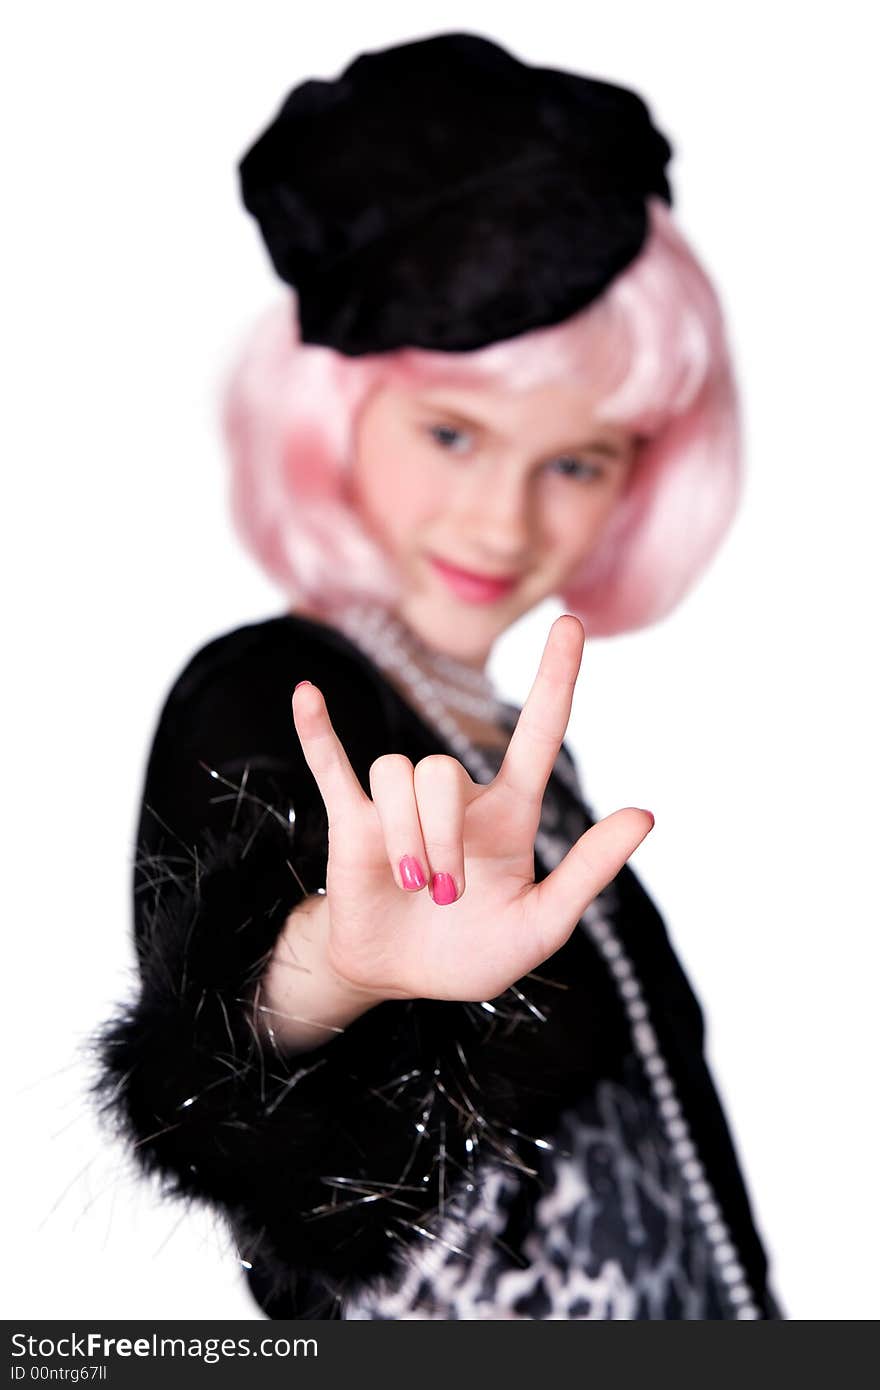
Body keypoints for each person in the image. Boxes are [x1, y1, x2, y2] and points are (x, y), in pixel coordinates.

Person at [92, 31, 782, 1320]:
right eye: (453, 433)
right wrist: (335, 974)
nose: (503, 519)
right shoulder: (271, 696)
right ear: (332, 404)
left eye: (576, 461)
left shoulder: (514, 746)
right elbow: (245, 1121)